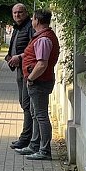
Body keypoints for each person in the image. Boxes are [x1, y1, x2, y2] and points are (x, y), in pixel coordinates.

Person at [17, 10, 60, 161]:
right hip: (39, 81)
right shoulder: (42, 37)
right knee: (35, 114)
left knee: (41, 115)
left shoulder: (44, 39)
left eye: (33, 19)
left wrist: (30, 78)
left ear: (37, 21)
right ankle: (34, 145)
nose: (32, 21)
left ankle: (44, 150)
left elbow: (42, 64)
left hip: (39, 81)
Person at [5, 4, 36, 152]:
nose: (17, 15)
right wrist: (9, 56)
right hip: (20, 69)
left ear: (26, 13)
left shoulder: (30, 27)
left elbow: (33, 48)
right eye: (15, 13)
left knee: (27, 105)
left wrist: (20, 57)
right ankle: (27, 137)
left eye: (20, 12)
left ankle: (26, 138)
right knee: (24, 104)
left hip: (28, 70)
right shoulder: (18, 28)